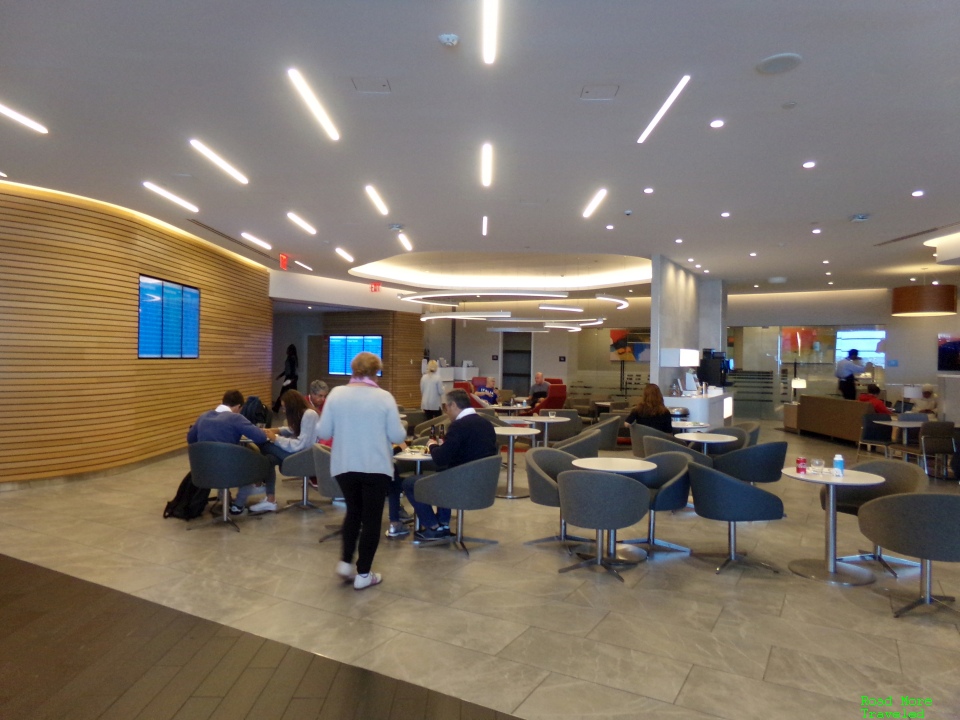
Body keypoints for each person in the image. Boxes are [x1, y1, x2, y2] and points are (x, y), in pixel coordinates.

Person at [317, 351, 406, 590]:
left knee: (353, 512)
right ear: (376, 371)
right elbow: (397, 435)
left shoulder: (336, 394)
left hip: (345, 465)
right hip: (375, 467)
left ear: (353, 369)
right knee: (372, 519)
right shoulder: (384, 397)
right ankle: (364, 574)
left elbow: (323, 432)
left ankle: (345, 563)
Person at [402, 389, 498, 539]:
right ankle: (443, 523)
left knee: (410, 483)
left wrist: (433, 445)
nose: (446, 412)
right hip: (482, 482)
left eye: (446, 407)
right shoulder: (486, 424)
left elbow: (440, 458)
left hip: (460, 483)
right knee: (444, 472)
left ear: (453, 405)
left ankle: (433, 526)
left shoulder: (459, 426)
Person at [186, 390, 272, 513]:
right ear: (238, 406)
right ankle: (238, 505)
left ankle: (224, 498)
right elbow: (261, 437)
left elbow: (190, 439)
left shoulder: (203, 416)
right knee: (249, 464)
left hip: (203, 470)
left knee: (221, 457)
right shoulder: (236, 418)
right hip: (228, 470)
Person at [238, 389, 322, 513]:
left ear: (292, 405)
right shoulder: (304, 414)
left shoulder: (310, 415)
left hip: (303, 456)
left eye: (284, 407)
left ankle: (257, 482)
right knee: (269, 459)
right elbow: (292, 429)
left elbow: (300, 444)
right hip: (300, 453)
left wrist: (275, 438)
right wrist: (275, 430)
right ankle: (270, 500)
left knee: (263, 444)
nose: (283, 410)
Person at [273, 344, 299, 413]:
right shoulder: (292, 358)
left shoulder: (291, 358)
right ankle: (295, 408)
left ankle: (276, 407)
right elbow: (288, 370)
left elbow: (291, 370)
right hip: (292, 378)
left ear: (290, 350)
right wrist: (280, 376)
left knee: (283, 393)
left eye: (288, 349)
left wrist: (290, 379)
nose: (286, 351)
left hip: (290, 378)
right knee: (293, 393)